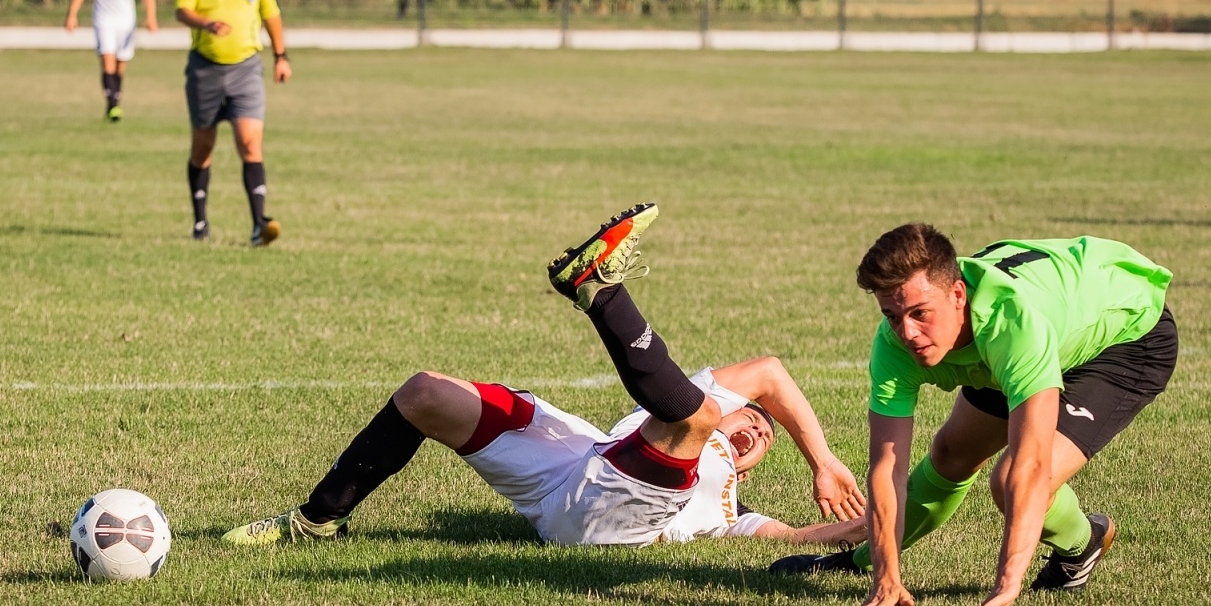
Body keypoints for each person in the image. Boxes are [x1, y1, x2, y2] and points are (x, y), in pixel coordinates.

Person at [225, 204, 866, 549]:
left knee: (689, 416)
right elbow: (770, 372)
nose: (754, 427)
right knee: (422, 393)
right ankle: (314, 520)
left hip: (614, 520)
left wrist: (879, 530)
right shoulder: (705, 411)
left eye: (760, 438)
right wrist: (823, 458)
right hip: (575, 466)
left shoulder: (727, 511)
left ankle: (599, 291)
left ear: (749, 471)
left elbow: (806, 534)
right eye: (753, 419)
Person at [770, 224, 1177, 606]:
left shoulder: (1012, 326)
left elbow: (1030, 466)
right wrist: (884, 573)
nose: (907, 333)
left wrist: (1007, 581)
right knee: (950, 455)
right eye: (892, 316)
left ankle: (1082, 544)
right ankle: (859, 562)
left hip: (1126, 336)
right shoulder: (895, 345)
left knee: (1008, 482)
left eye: (920, 313)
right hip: (1030, 332)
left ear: (958, 295)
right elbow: (886, 468)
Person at [174, 0, 291, 246]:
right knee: (203, 148)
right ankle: (200, 223)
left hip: (246, 67)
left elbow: (270, 14)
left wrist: (281, 55)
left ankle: (259, 225)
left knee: (250, 142)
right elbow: (181, 10)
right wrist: (206, 23)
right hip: (205, 69)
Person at [64, 0, 158, 122]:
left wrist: (151, 17)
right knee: (107, 61)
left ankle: (115, 98)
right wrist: (72, 14)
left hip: (126, 21)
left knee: (120, 65)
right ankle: (113, 105)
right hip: (103, 19)